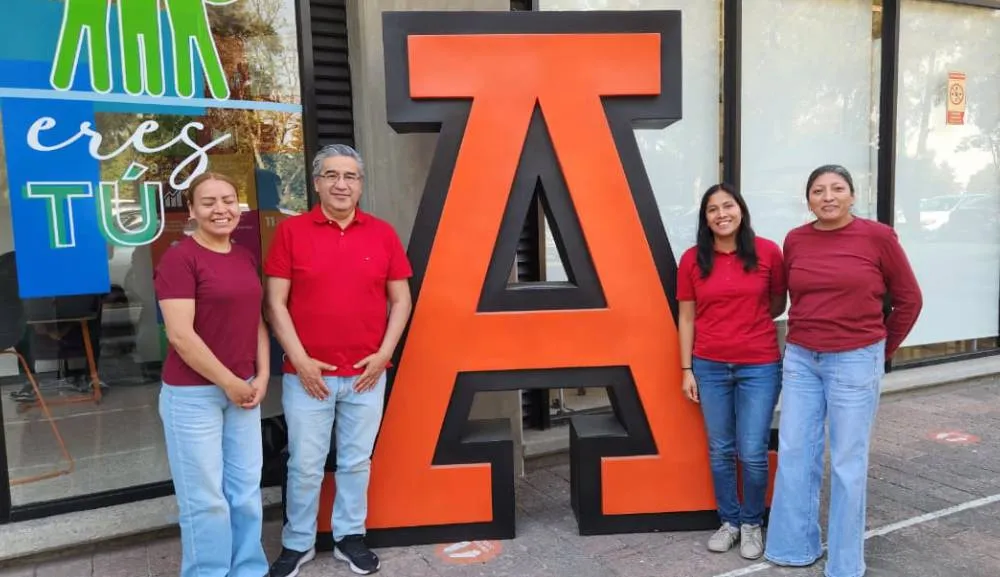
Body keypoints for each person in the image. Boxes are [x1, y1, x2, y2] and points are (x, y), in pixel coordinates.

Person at [764, 165, 922, 577]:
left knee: (847, 462)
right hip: (801, 358)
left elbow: (909, 299)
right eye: (818, 190)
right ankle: (793, 548)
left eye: (837, 189)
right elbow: (792, 299)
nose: (828, 197)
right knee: (795, 453)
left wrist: (881, 350)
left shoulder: (878, 237)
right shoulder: (795, 240)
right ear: (808, 199)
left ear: (853, 195)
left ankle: (845, 563)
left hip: (855, 359)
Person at [265, 144, 413, 577]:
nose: (341, 184)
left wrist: (384, 355)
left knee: (356, 462)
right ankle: (298, 543)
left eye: (350, 176)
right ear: (316, 183)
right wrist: (301, 361)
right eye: (331, 175)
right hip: (306, 376)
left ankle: (350, 537)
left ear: (361, 184)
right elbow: (274, 304)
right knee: (304, 466)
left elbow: (401, 300)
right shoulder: (291, 232)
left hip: (367, 375)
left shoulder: (382, 233)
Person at [154, 172, 271, 577]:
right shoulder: (179, 259)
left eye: (228, 200)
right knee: (205, 500)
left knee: (245, 493)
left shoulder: (244, 255)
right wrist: (230, 382)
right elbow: (180, 336)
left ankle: (249, 570)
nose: (220, 209)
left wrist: (262, 375)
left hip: (244, 391)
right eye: (208, 202)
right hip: (193, 396)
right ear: (191, 210)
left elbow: (256, 320)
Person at [677, 183, 786, 560]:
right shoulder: (692, 259)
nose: (721, 214)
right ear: (705, 218)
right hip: (709, 365)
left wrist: (745, 324)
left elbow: (777, 303)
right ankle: (730, 522)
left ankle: (752, 523)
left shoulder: (768, 252)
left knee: (752, 450)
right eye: (712, 209)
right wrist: (686, 368)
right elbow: (686, 316)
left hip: (759, 365)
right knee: (720, 449)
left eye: (728, 206)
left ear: (741, 210)